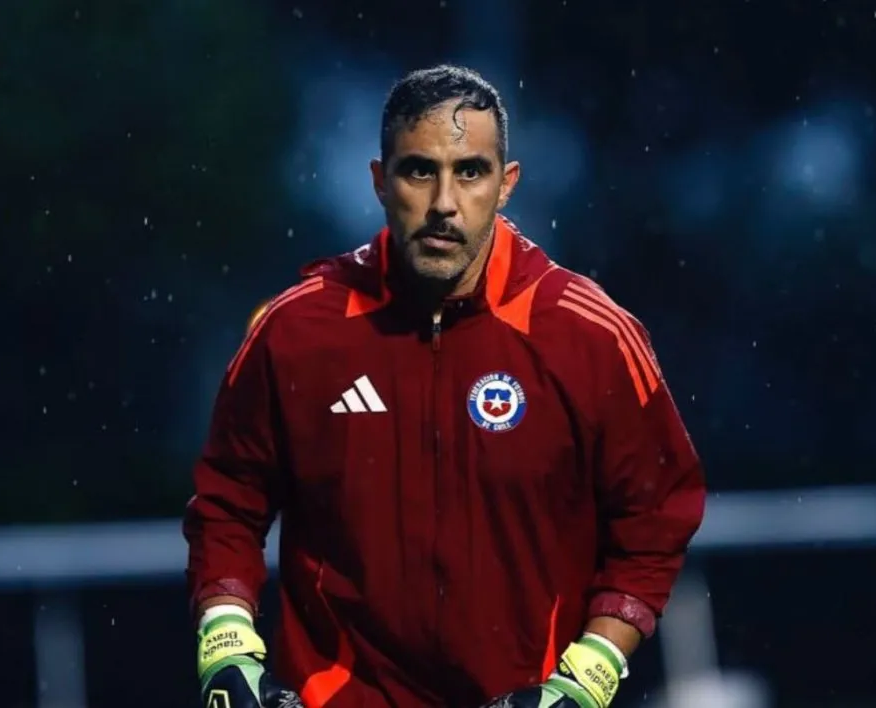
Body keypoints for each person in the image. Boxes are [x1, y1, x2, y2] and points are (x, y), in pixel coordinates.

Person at [184, 64, 706, 708]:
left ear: (506, 184)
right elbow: (228, 502)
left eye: (470, 172)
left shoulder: (590, 337)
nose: (443, 204)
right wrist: (226, 641)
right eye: (418, 170)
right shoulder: (296, 332)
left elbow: (655, 522)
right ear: (380, 181)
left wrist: (588, 678)